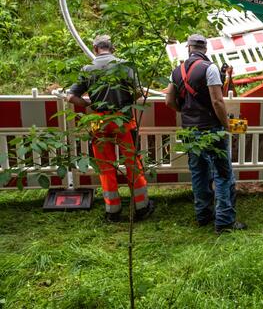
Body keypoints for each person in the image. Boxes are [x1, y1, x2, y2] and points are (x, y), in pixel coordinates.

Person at [67, 35, 154, 222]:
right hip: (122, 119)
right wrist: (127, 102)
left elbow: (71, 97)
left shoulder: (87, 69)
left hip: (98, 121)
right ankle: (141, 206)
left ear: (95, 48)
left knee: (105, 167)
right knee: (133, 163)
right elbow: (140, 90)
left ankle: (112, 211)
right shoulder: (125, 65)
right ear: (112, 48)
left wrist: (89, 106)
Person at [165, 33, 246, 233]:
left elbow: (169, 101)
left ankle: (203, 215)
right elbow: (217, 101)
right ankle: (225, 221)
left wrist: (185, 112)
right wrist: (226, 124)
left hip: (190, 130)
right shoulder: (209, 68)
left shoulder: (177, 71)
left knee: (199, 173)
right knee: (223, 174)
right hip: (211, 129)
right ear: (206, 49)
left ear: (189, 48)